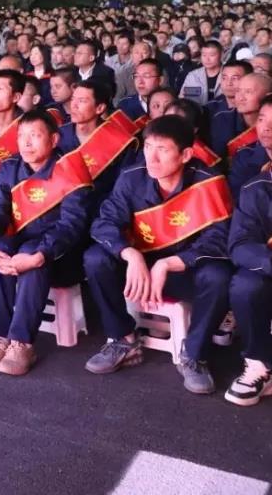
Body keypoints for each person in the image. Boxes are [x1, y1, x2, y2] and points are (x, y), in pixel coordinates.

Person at [84, 115, 232, 394]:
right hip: (139, 269)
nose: (151, 157)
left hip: (182, 269)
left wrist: (168, 264)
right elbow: (105, 222)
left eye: (162, 149)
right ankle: (123, 339)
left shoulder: (208, 183)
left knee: (219, 274)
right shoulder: (132, 177)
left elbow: (220, 240)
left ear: (186, 154)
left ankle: (194, 354)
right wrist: (130, 255)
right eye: (148, 146)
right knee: (95, 259)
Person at [0, 109, 93, 376]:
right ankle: (0, 337)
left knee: (32, 252)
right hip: (20, 246)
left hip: (63, 256)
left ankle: (22, 342)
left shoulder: (70, 169)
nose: (26, 143)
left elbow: (72, 225)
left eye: (35, 136)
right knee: (0, 250)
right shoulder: (10, 169)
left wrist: (40, 254)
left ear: (53, 140)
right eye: (21, 137)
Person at [226, 146, 272, 406]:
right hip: (269, 270)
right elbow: (239, 245)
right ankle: (260, 364)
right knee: (245, 285)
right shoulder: (254, 189)